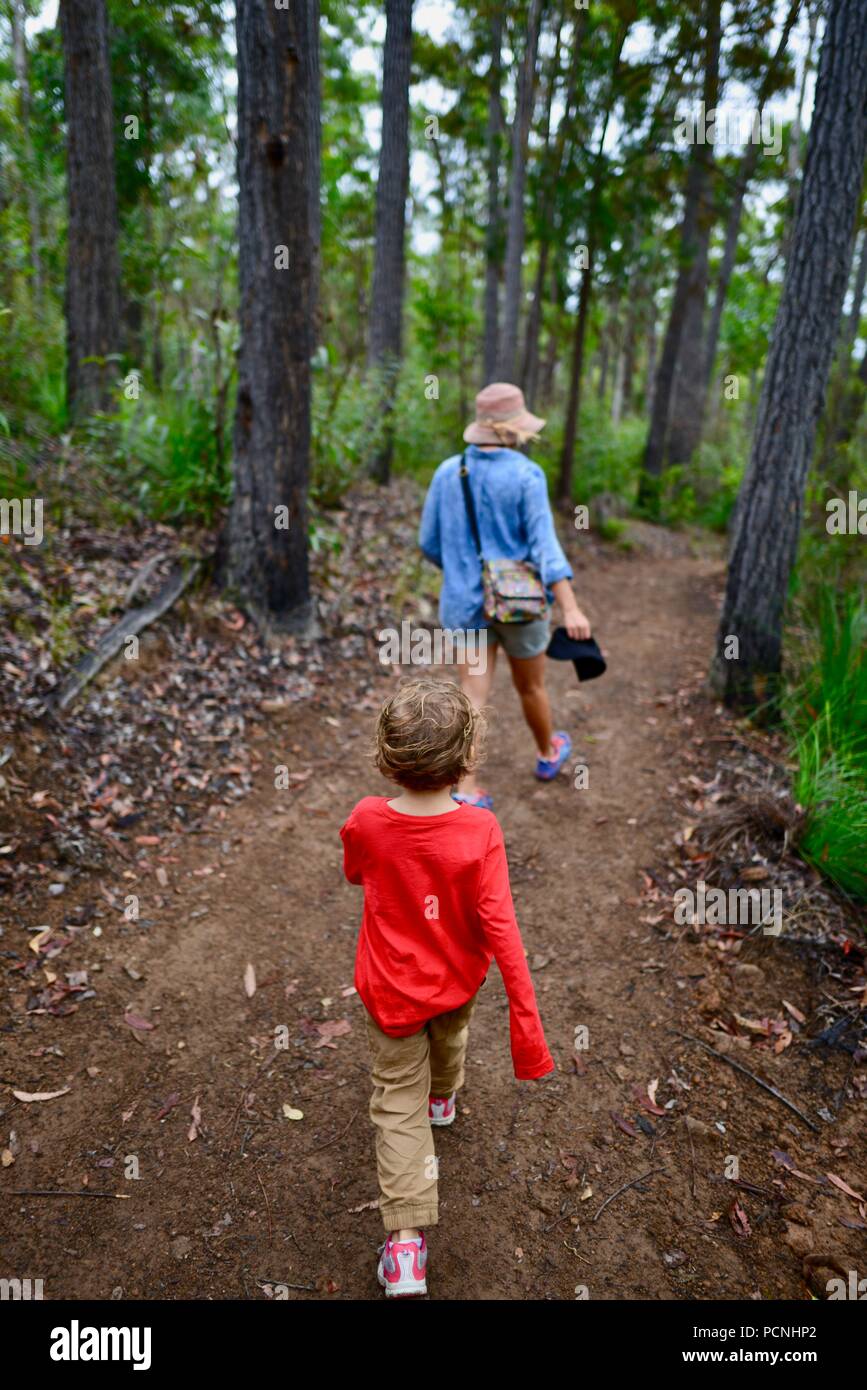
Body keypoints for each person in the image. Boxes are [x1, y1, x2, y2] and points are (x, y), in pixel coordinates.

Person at [340, 678, 554, 1298]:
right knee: (450, 1037)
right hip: (457, 982)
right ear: (467, 760)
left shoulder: (367, 819)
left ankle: (405, 1250)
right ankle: (444, 1097)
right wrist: (526, 1019)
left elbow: (356, 868)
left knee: (393, 1105)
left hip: (389, 992)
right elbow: (501, 927)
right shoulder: (480, 833)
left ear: (387, 757)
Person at [419, 381, 592, 809]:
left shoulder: (447, 472)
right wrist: (570, 606)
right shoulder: (526, 475)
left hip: (464, 605)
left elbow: (428, 541)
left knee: (473, 697)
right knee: (531, 687)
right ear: (510, 429)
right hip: (521, 605)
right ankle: (548, 754)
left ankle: (465, 790)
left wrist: (462, 572)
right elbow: (545, 550)